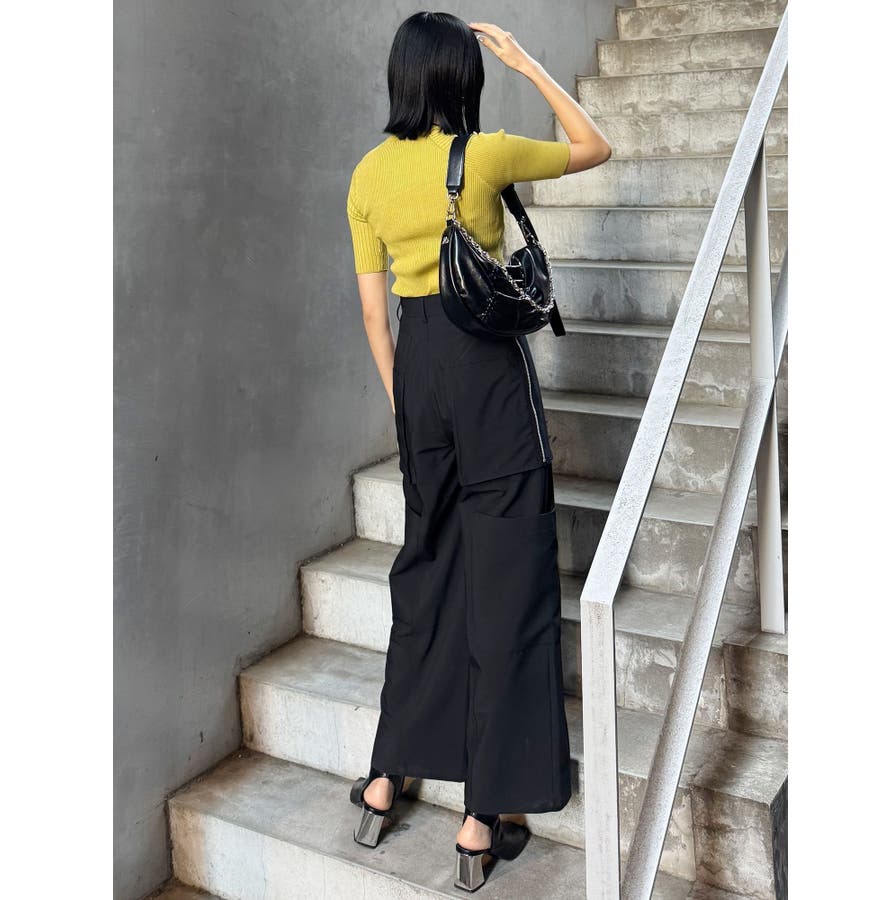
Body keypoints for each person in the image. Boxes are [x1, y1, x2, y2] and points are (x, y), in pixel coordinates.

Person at [345, 11, 611, 891]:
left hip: (419, 378)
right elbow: (594, 144)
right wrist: (528, 61)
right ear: (461, 77)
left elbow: (374, 314)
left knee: (426, 575)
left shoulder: (368, 175)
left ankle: (384, 780)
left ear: (400, 77)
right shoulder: (484, 155)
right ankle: (479, 817)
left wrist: (409, 406)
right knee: (509, 586)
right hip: (489, 378)